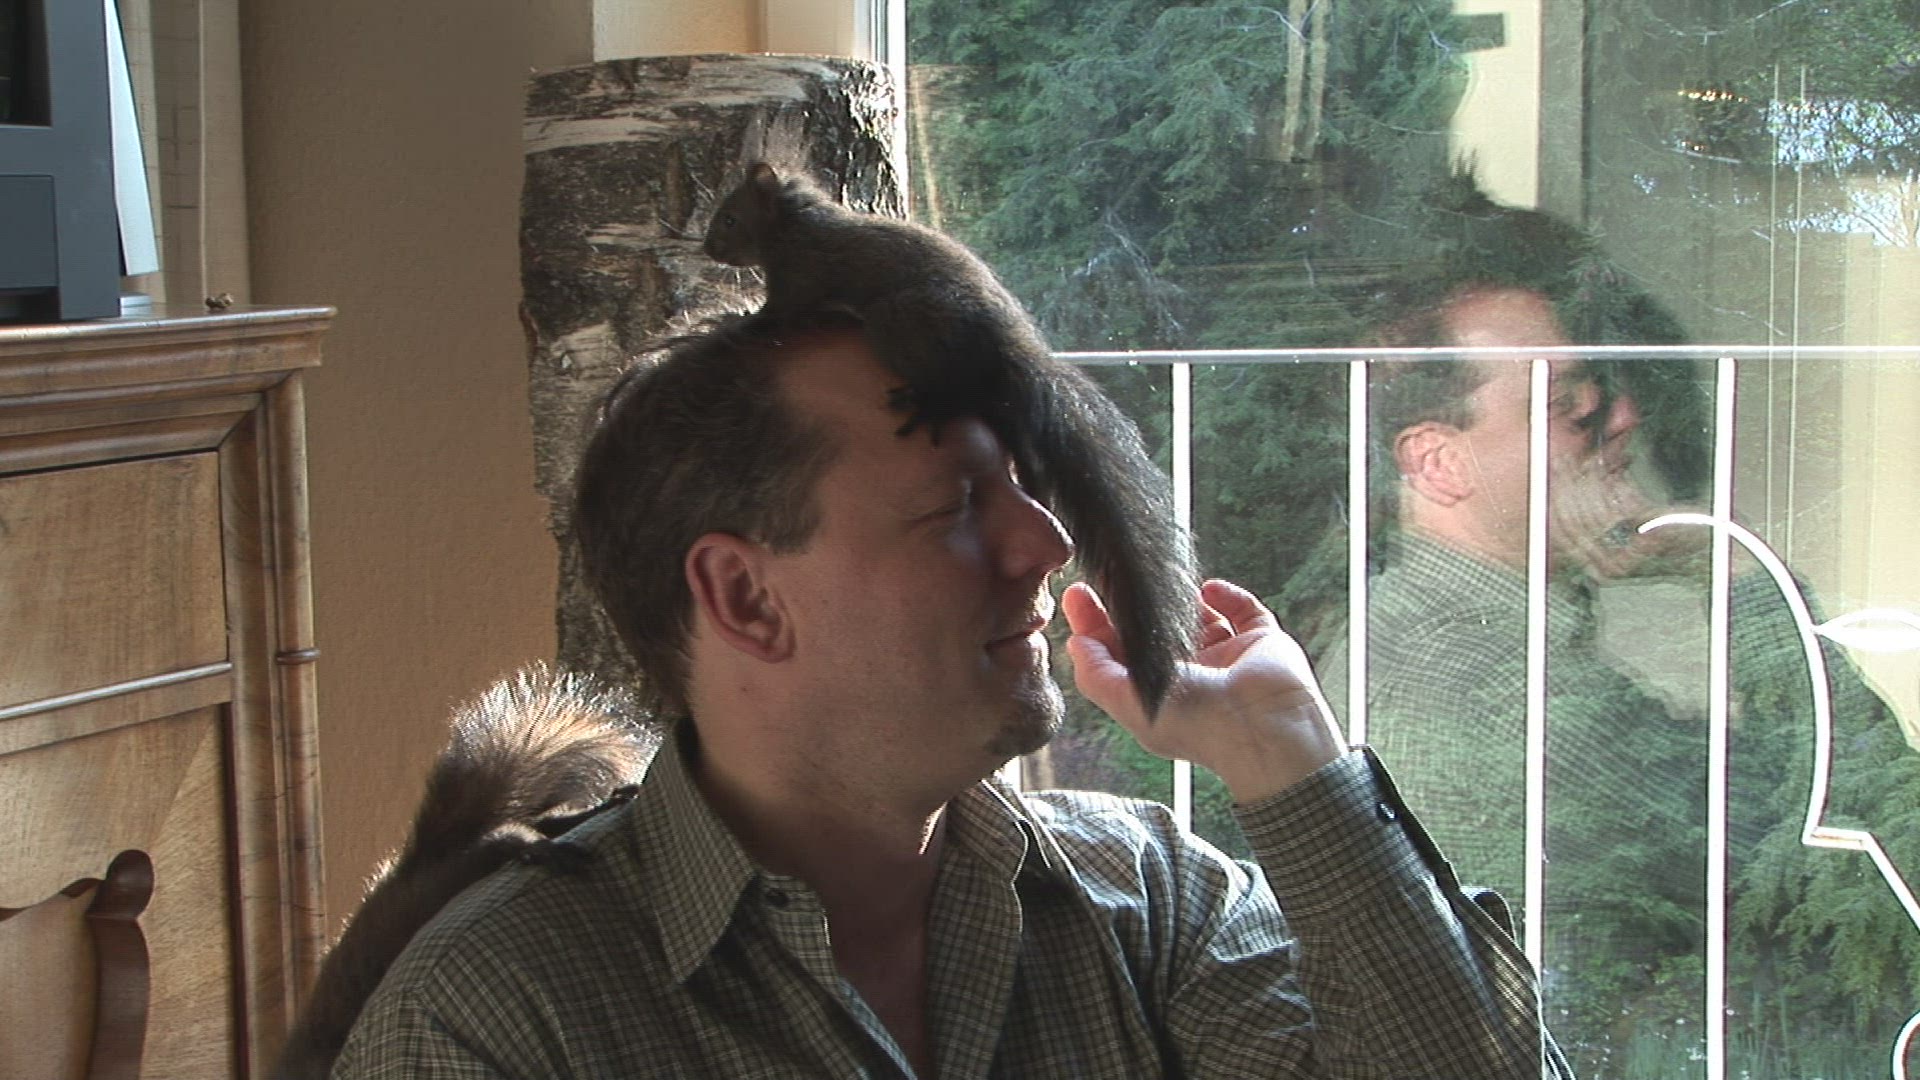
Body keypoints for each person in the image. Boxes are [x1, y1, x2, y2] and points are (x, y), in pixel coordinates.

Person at [329, 307, 1571, 1078]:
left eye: (1026, 487)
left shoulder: (1145, 910)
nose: (1047, 542)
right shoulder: (496, 1019)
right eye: (958, 507)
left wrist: (1293, 758)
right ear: (747, 600)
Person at [1317, 196, 1920, 1072]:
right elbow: (1851, 831)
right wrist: (1734, 574)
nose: (1622, 418)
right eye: (1569, 407)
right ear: (1439, 463)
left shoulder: (1449, 632)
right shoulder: (1480, 674)